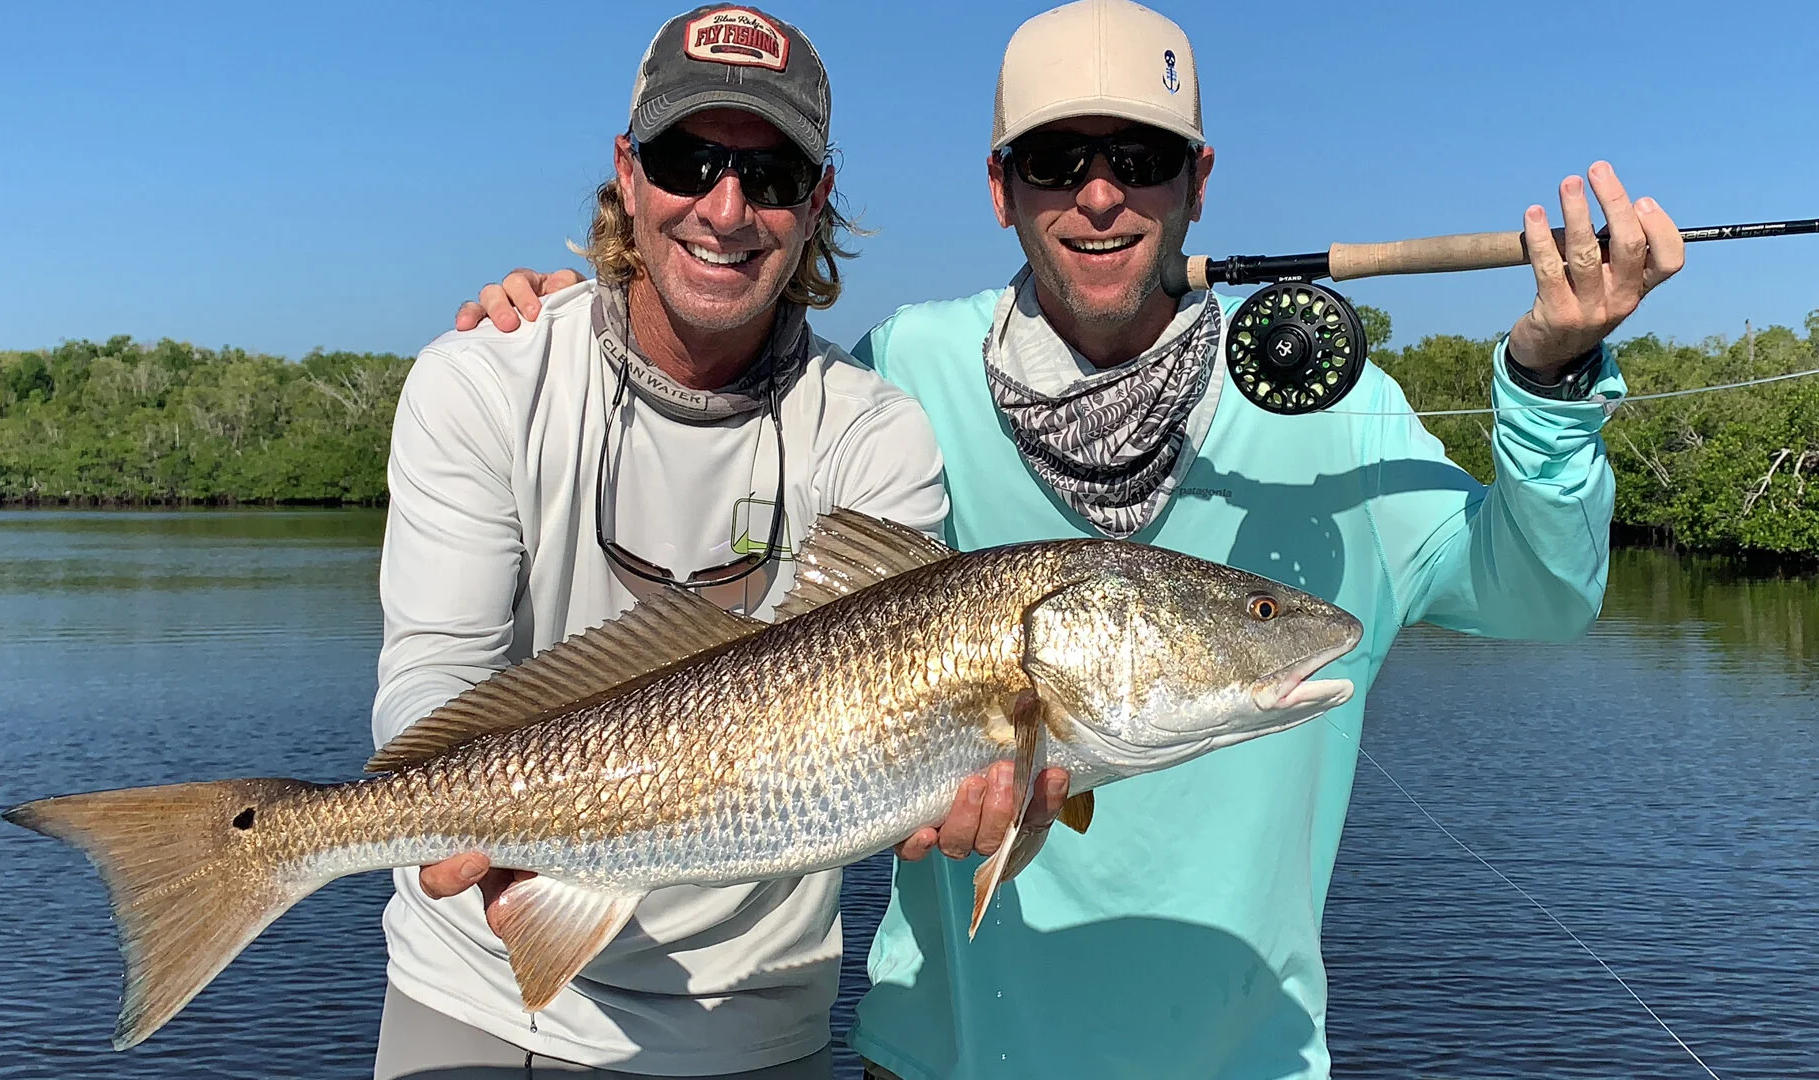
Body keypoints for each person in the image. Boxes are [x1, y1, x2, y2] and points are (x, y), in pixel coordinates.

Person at [449, 2, 1685, 1077]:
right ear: (1000, 188)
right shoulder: (907, 374)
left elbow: (1539, 595)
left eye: (1139, 157)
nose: (1100, 192)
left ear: (1199, 180)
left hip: (1247, 1063)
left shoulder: (1338, 408)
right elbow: (725, 400)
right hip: (934, 1057)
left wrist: (1551, 384)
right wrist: (583, 311)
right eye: (1056, 159)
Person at [366, 5, 1069, 1077]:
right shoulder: (478, 381)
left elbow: (878, 733)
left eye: (772, 175)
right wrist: (477, 832)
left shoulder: (876, 434)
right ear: (628, 172)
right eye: (689, 159)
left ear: (817, 198)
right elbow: (431, 673)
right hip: (473, 987)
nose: (726, 208)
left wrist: (979, 787)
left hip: (752, 1022)